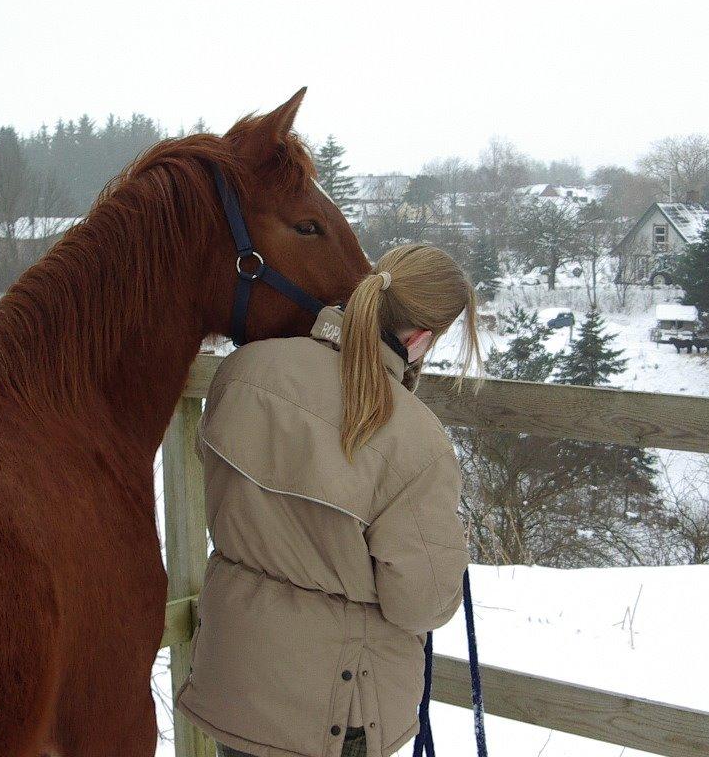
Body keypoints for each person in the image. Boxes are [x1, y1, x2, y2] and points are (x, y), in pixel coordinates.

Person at [174, 243, 483, 757]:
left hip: (234, 684)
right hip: (331, 718)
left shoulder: (243, 371)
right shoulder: (416, 440)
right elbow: (421, 602)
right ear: (423, 338)